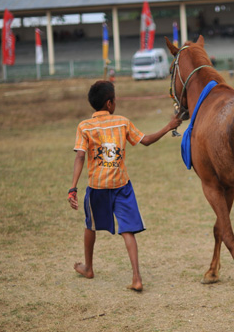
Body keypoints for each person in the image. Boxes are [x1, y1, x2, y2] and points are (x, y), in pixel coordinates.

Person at [68, 80, 181, 292]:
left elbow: (80, 157)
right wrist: (169, 126)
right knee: (128, 230)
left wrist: (72, 187)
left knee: (90, 225)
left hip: (97, 187)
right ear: (109, 103)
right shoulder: (122, 122)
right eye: (115, 100)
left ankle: (89, 267)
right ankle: (136, 277)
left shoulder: (84, 126)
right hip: (121, 185)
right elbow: (146, 140)